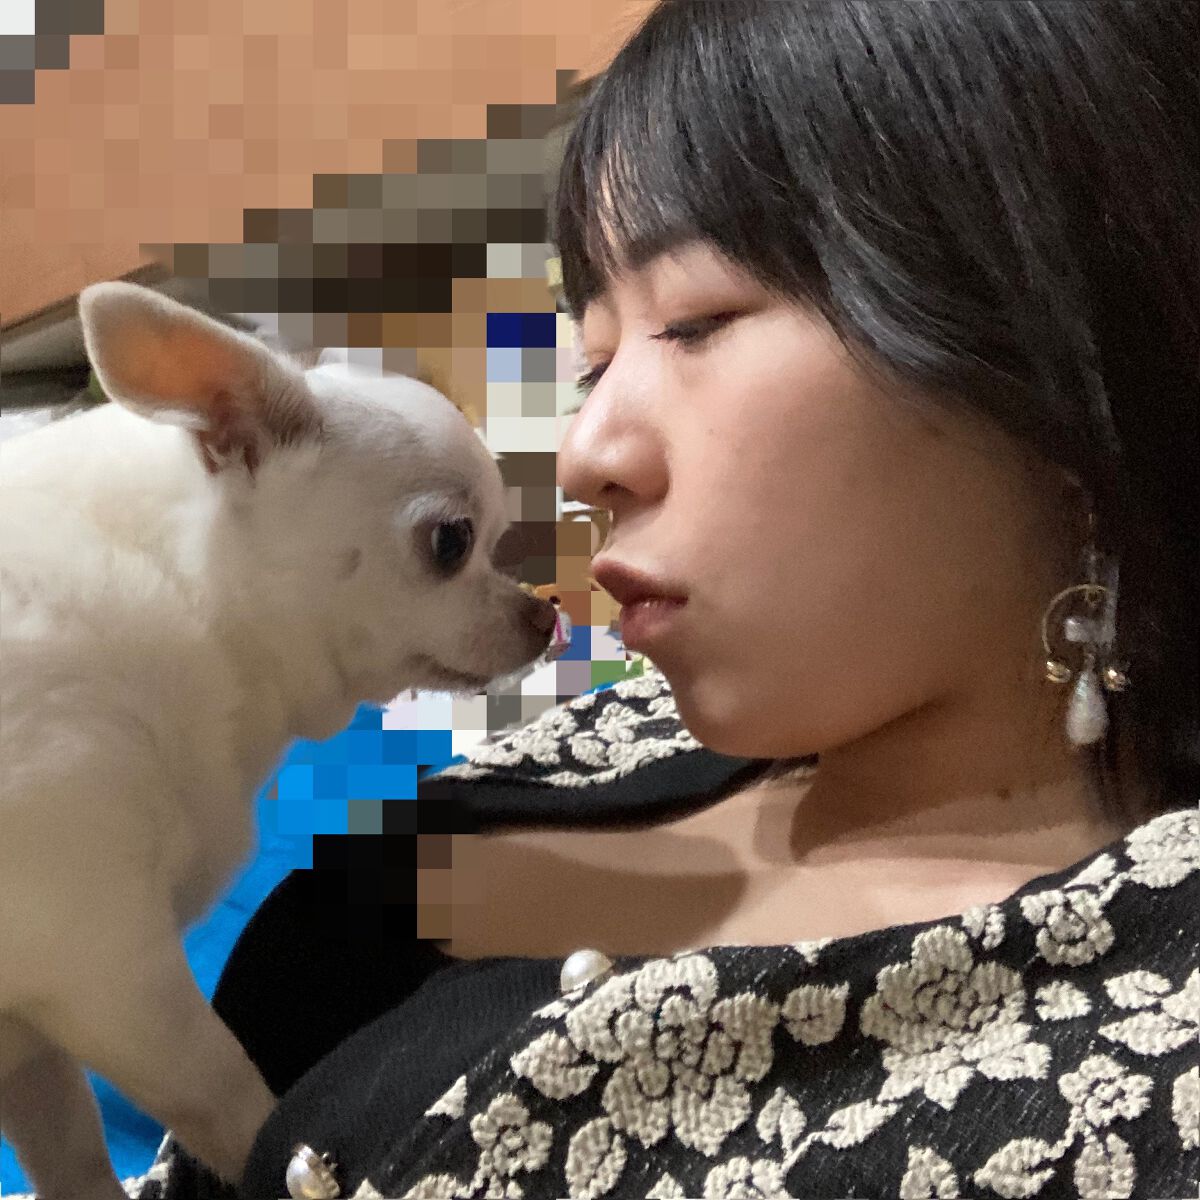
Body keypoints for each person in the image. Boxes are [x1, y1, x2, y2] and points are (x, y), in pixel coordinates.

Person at [105, 2, 1196, 1197]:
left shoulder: (1138, 1070)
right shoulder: (580, 754)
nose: (585, 458)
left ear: (1059, 339)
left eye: (697, 323)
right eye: (595, 364)